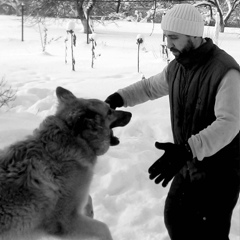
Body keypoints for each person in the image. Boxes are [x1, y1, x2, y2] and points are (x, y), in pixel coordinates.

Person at [105, 4, 240, 240]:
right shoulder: (177, 68)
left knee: (209, 234)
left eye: (174, 38)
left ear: (194, 35)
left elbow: (229, 123)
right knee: (175, 220)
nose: (168, 44)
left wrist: (188, 149)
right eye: (166, 37)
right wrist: (118, 98)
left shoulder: (226, 72)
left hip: (219, 172)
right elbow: (148, 88)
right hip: (187, 162)